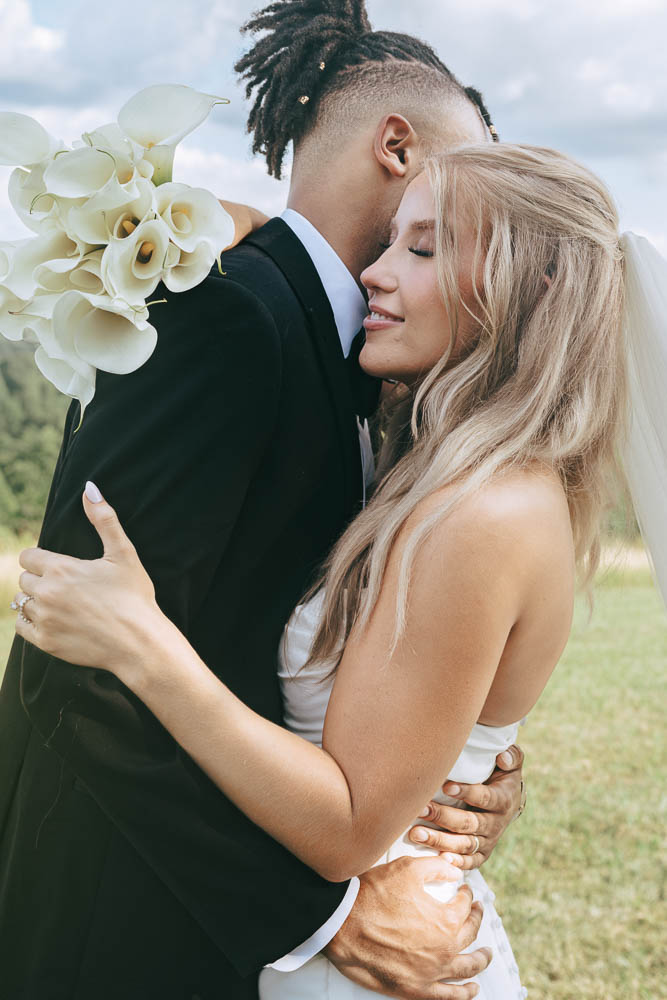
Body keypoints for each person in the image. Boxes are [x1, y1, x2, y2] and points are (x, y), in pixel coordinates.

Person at [11, 139, 634, 1000]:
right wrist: (244, 225)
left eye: (420, 249)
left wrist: (142, 643)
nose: (374, 274)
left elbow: (348, 825)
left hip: (381, 964)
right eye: (386, 244)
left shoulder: (487, 511)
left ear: (532, 289)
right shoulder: (447, 474)